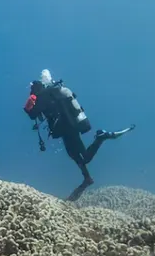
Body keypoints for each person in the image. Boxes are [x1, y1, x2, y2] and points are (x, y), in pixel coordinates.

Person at [24, 69, 135, 201]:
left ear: (36, 88)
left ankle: (101, 138)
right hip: (68, 126)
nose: (31, 93)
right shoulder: (52, 92)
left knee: (84, 157)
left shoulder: (43, 95)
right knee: (74, 155)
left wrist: (28, 107)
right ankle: (87, 178)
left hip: (67, 128)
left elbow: (33, 114)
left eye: (32, 90)